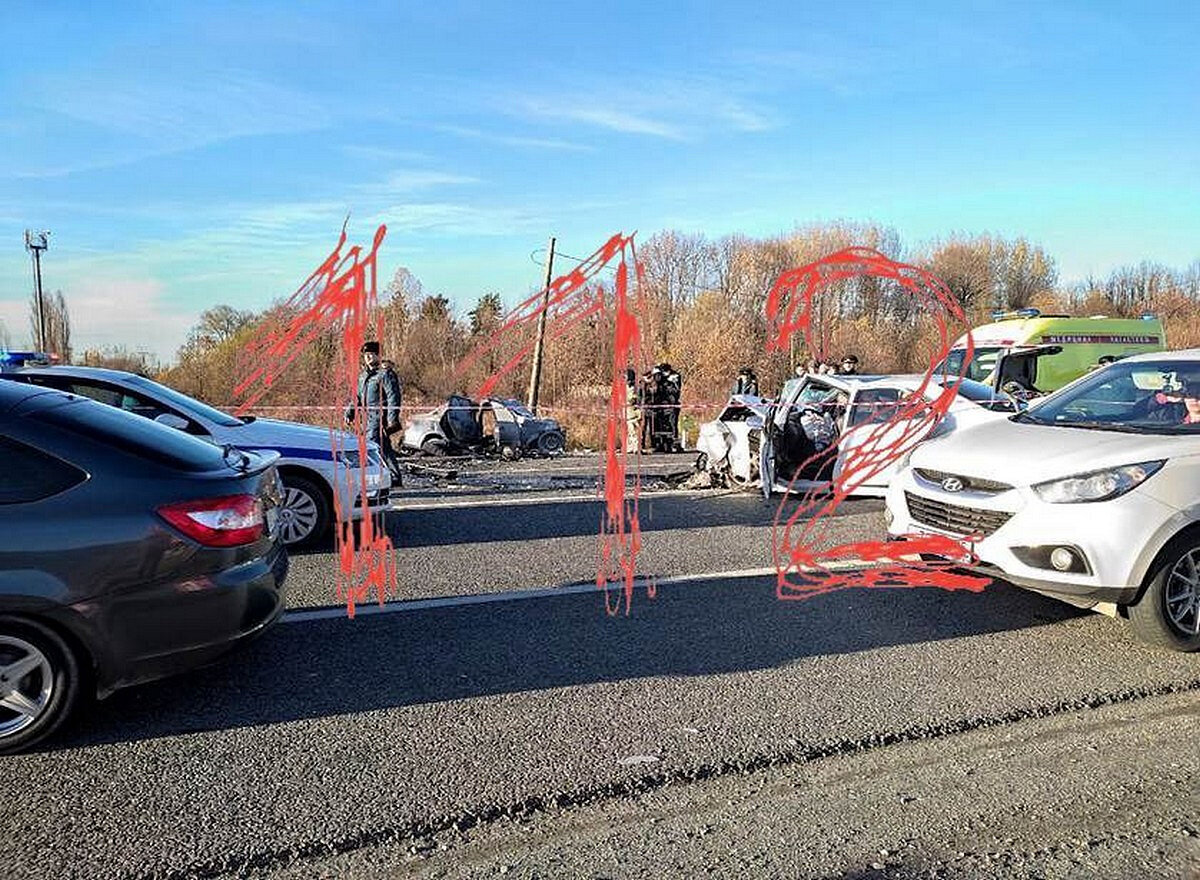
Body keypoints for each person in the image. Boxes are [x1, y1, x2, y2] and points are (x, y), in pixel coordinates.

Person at [345, 341, 403, 487]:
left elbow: (393, 397)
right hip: (367, 417)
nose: (368, 358)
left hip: (379, 416)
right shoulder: (363, 376)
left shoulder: (385, 374)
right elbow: (357, 396)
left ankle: (375, 477)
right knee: (383, 447)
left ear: (378, 356)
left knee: (372, 445)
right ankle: (394, 476)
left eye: (371, 355)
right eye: (366, 355)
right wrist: (350, 413)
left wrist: (392, 420)